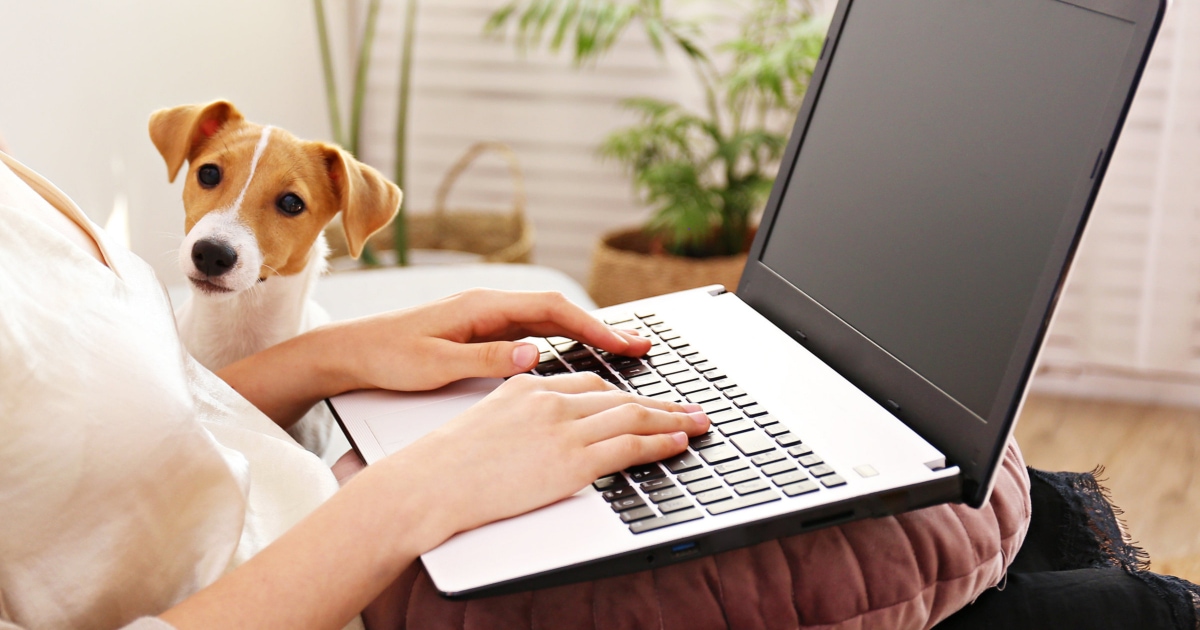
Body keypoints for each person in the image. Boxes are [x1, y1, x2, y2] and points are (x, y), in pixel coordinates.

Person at [0, 149, 713, 630]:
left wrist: (335, 356)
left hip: (311, 506)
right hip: (339, 576)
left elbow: (134, 423)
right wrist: (416, 491)